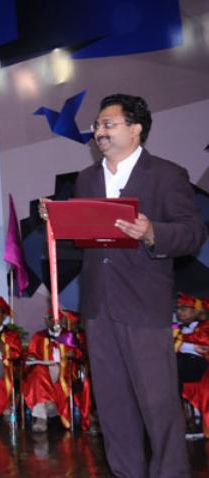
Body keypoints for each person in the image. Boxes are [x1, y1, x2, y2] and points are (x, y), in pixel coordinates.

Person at [41, 94, 207, 477]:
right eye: (97, 125)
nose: (99, 131)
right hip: (98, 308)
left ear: (136, 129)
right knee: (113, 407)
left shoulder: (166, 174)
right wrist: (57, 218)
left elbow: (193, 233)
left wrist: (152, 232)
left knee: (159, 405)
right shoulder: (86, 179)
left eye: (108, 124)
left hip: (144, 306)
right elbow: (83, 236)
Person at [21, 310, 82, 432]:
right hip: (42, 369)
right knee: (38, 372)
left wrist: (73, 353)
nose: (54, 321)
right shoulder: (38, 336)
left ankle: (44, 413)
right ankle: (44, 412)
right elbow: (31, 354)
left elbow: (79, 353)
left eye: (57, 318)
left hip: (64, 370)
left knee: (38, 374)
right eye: (50, 318)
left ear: (61, 320)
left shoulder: (68, 336)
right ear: (45, 321)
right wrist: (31, 357)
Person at [174, 293, 209, 388]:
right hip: (180, 360)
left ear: (196, 310)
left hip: (197, 363)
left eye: (183, 308)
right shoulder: (177, 326)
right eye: (177, 309)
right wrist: (191, 346)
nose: (179, 312)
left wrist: (181, 339)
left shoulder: (205, 325)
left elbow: (204, 341)